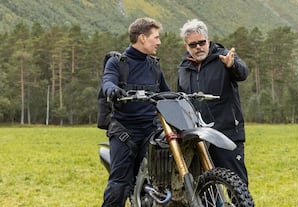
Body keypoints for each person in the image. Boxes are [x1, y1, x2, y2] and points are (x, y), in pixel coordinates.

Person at [101, 17, 170, 207]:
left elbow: (167, 93)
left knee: (157, 182)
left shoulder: (154, 66)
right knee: (119, 185)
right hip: (125, 132)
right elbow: (108, 81)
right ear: (142, 38)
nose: (159, 42)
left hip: (152, 130)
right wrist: (112, 90)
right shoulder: (117, 63)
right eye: (155, 37)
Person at [177, 19, 249, 185]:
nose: (198, 47)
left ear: (208, 40)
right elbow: (181, 98)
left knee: (236, 185)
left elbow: (243, 73)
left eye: (202, 42)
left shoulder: (223, 56)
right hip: (196, 137)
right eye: (193, 44)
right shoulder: (183, 67)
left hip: (226, 133)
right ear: (186, 46)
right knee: (202, 187)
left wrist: (232, 66)